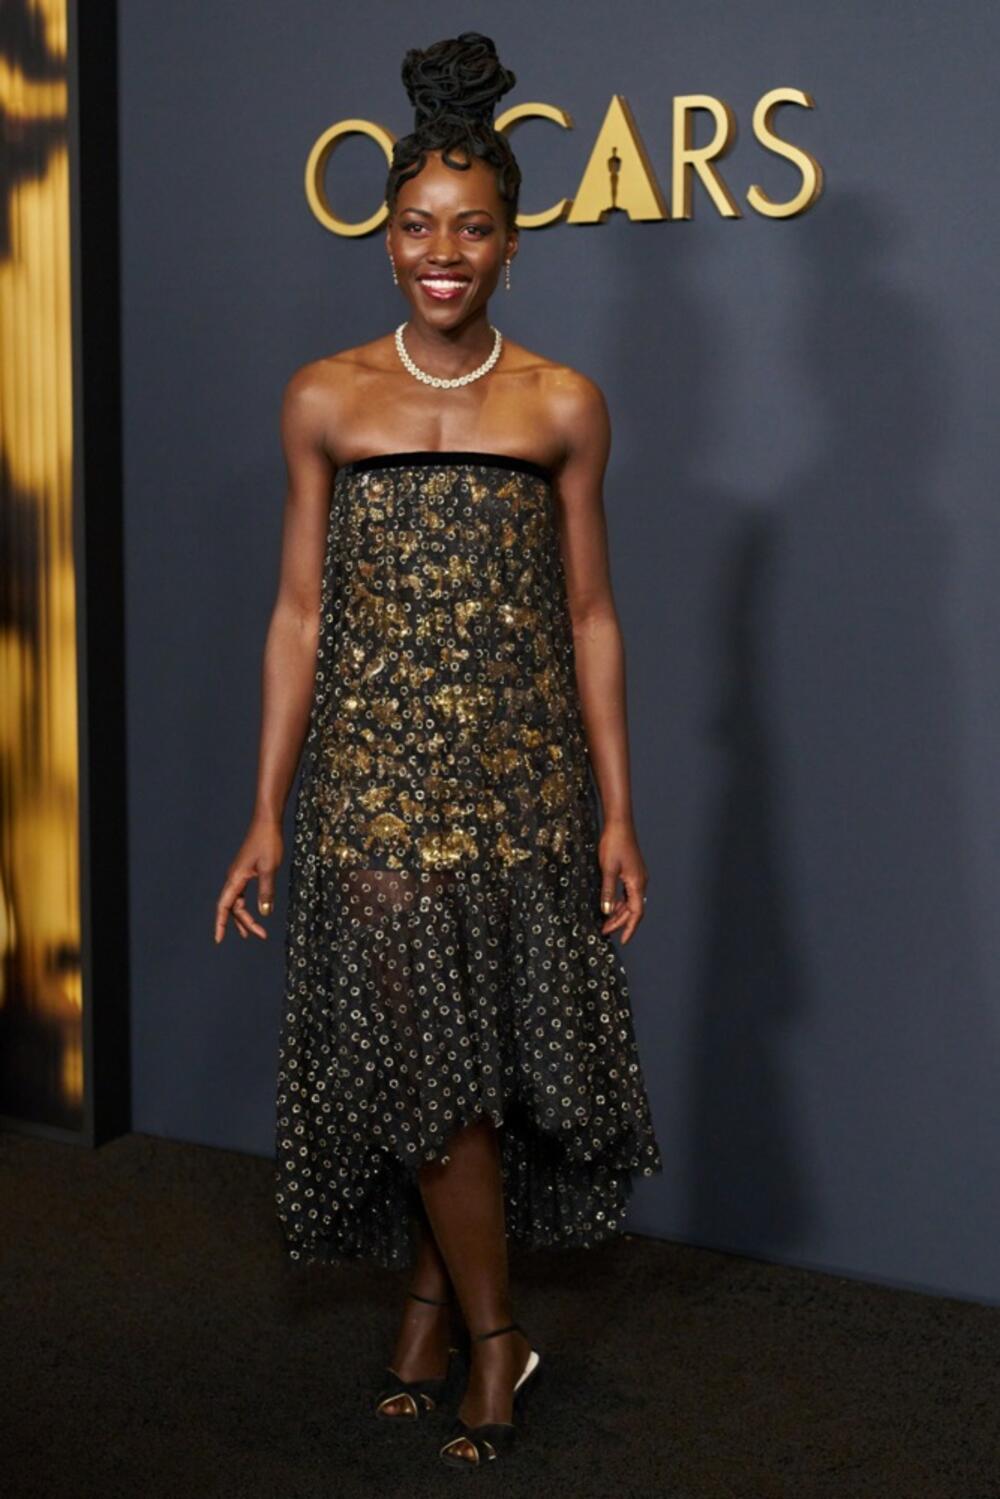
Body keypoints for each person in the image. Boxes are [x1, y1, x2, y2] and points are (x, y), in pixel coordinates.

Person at [214, 31, 663, 1472]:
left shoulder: (563, 404)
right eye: (418, 226)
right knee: (421, 1056)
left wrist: (618, 812)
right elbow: (297, 614)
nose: (442, 254)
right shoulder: (326, 396)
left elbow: (592, 617)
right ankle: (496, 1337)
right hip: (371, 784)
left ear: (512, 245)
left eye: (471, 229)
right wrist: (267, 808)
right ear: (387, 236)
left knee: (484, 1058)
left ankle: (425, 1312)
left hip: (523, 786)